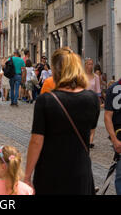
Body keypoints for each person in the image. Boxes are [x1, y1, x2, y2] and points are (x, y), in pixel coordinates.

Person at [24, 47, 100, 195]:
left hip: (51, 171)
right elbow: (90, 132)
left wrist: (27, 176)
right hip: (80, 170)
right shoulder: (92, 99)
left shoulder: (45, 101)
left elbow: (36, 141)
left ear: (56, 71)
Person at [104, 76, 121, 195]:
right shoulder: (113, 89)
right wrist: (115, 140)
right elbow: (107, 117)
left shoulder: (113, 88)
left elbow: (107, 117)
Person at [85, 58, 101, 148]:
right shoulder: (81, 76)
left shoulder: (96, 77)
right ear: (85, 65)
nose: (90, 66)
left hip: (93, 102)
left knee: (93, 122)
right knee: (86, 121)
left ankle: (90, 141)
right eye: (88, 64)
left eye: (91, 64)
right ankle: (86, 138)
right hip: (83, 101)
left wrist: (99, 104)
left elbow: (98, 91)